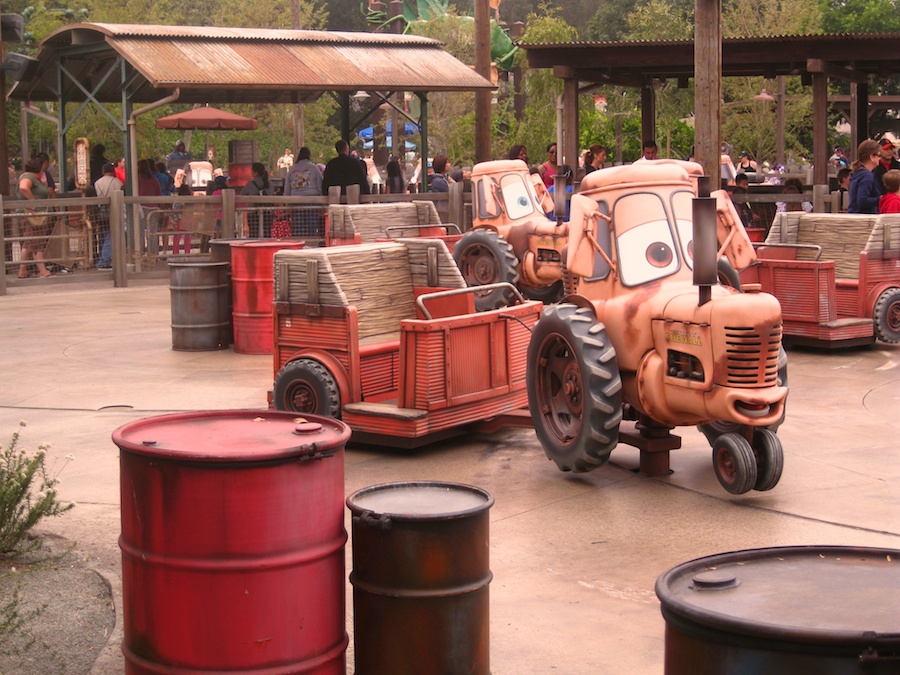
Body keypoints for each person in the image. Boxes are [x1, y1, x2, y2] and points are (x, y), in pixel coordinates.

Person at [16, 156, 53, 278]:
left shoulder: (32, 177)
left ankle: (23, 270)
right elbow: (23, 187)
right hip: (32, 215)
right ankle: (43, 271)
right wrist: (34, 203)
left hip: (32, 214)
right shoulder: (28, 177)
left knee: (28, 243)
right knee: (36, 242)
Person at [284, 147, 325, 237]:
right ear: (309, 155)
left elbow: (287, 188)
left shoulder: (292, 169)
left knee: (298, 226)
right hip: (312, 200)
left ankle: (298, 245)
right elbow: (320, 184)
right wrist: (323, 201)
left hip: (296, 201)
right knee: (312, 225)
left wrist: (287, 203)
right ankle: (312, 244)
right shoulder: (314, 168)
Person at [93, 162, 124, 269]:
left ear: (103, 172)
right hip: (114, 210)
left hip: (101, 212)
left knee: (104, 236)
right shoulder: (117, 182)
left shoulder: (97, 183)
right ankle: (104, 261)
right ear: (113, 171)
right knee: (111, 237)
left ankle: (104, 257)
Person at [848, 139, 883, 214]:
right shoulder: (866, 176)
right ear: (872, 157)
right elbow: (862, 201)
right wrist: (881, 199)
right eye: (879, 155)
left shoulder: (858, 173)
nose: (880, 158)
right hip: (863, 220)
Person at [241, 162, 274, 237]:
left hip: (253, 214)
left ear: (255, 172)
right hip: (268, 214)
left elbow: (242, 194)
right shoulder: (270, 184)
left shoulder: (250, 184)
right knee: (267, 235)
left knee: (254, 236)